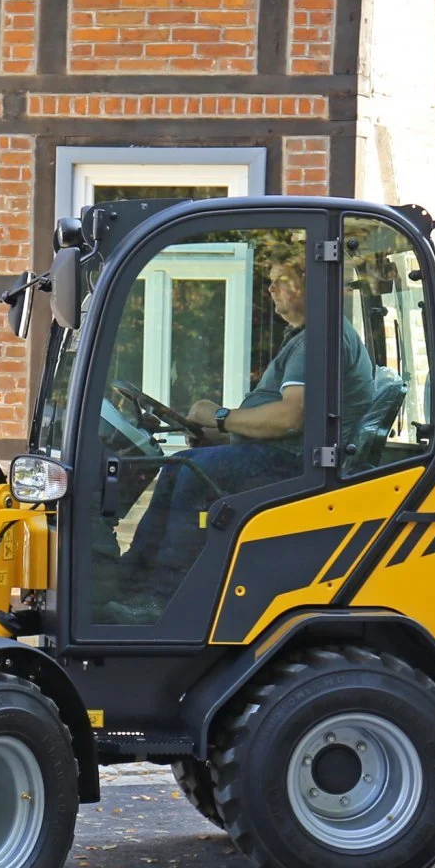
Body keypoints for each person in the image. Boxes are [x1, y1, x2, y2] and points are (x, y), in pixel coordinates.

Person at [98, 254, 377, 624]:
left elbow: (289, 418)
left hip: (298, 464)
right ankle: (132, 580)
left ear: (309, 287)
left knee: (193, 471)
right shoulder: (313, 336)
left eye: (280, 280)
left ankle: (160, 599)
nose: (271, 289)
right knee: (180, 466)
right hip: (290, 455)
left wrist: (222, 417)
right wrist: (215, 427)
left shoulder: (319, 340)